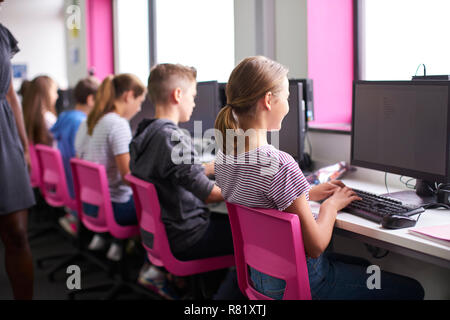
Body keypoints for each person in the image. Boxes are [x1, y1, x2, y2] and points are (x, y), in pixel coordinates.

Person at [214, 55, 425, 300]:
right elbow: (315, 247)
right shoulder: (280, 164)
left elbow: (261, 198)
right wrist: (331, 206)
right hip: (305, 284)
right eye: (287, 98)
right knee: (411, 290)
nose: (289, 106)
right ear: (269, 100)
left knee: (362, 264)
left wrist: (305, 193)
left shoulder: (225, 158)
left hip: (261, 279)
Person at [129, 63, 244, 300]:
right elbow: (210, 194)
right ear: (177, 95)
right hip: (189, 236)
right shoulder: (173, 137)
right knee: (253, 238)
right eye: (192, 96)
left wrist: (212, 167)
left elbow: (173, 171)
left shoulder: (146, 132)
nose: (193, 103)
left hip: (164, 233)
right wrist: (249, 184)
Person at [74, 74, 145, 262]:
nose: (139, 108)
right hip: (114, 209)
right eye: (140, 101)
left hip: (90, 205)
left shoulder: (87, 122)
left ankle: (114, 244)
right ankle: (155, 270)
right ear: (129, 96)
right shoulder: (117, 124)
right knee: (160, 207)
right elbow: (127, 177)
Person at [0, 21, 35, 299]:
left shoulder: (2, 34)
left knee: (17, 233)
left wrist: (24, 146)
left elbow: (11, 94)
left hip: (4, 134)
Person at [52, 76, 100, 235]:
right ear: (91, 99)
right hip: (77, 188)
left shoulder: (65, 117)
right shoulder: (82, 123)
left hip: (65, 183)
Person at [22, 75, 58, 146]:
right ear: (46, 93)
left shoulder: (25, 116)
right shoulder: (49, 119)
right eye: (55, 91)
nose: (57, 96)